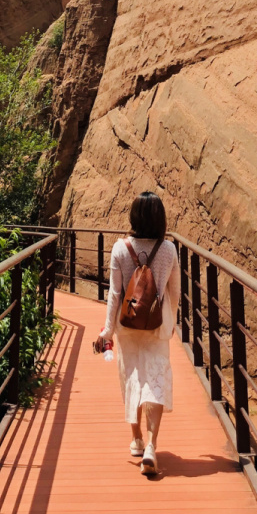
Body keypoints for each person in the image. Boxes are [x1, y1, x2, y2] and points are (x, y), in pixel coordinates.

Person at [94, 191, 181, 475]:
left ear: (133, 216)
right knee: (154, 380)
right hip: (157, 326)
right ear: (160, 218)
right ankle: (152, 446)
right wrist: (170, 322)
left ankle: (136, 438)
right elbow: (175, 292)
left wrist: (107, 332)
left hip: (127, 327)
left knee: (130, 376)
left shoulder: (120, 248)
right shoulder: (168, 250)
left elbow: (115, 294)